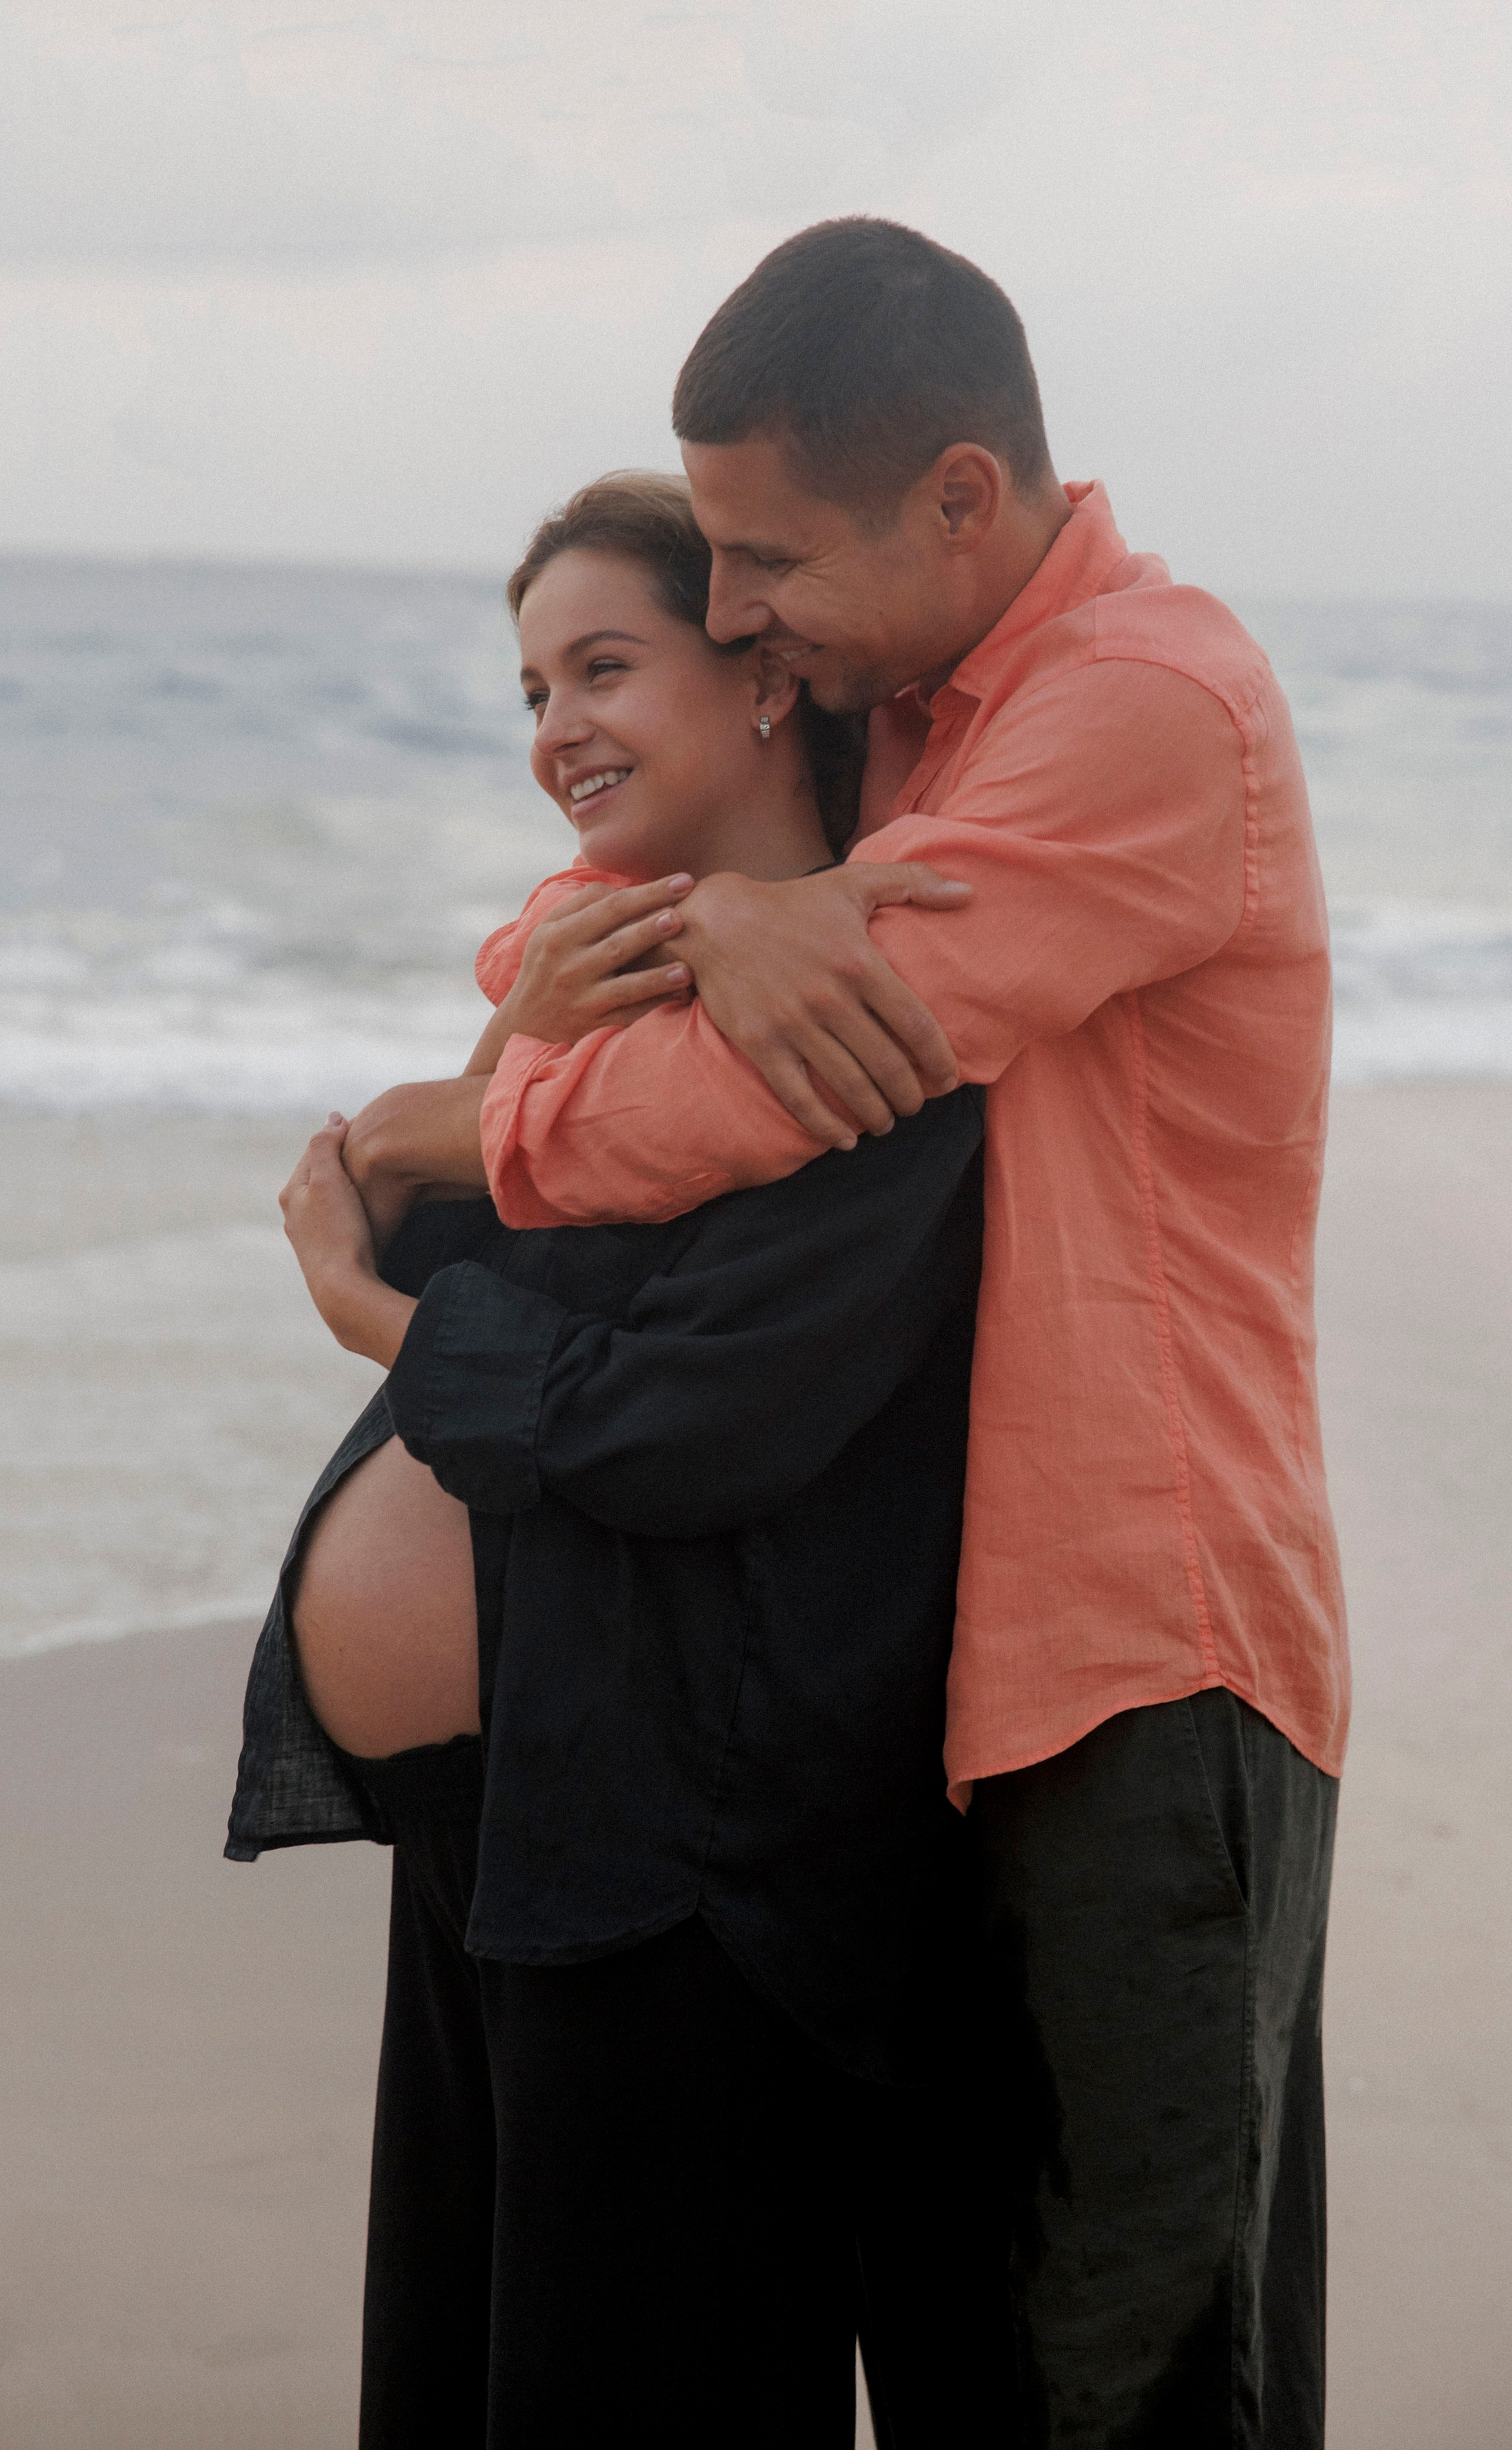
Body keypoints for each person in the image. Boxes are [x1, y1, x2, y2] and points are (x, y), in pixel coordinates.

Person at [338, 218, 1351, 2447]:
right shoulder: (913, 702)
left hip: (1141, 1661)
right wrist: (698, 915)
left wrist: (488, 1114)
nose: (729, 611)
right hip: (943, 1671)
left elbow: (782, 1077)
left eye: (761, 557)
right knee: (981, 2358)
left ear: (961, 500)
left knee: (1135, 2367)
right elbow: (606, 866)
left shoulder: (1138, 708)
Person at [230, 472, 1016, 2448]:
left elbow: (683, 1419)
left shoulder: (860, 1010)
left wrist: (372, 1311)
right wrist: (489, 1089)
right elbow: (503, 1262)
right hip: (505, 1828)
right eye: (526, 687)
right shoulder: (599, 978)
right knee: (462, 2381)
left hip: (695, 1860)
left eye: (602, 664)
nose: (552, 727)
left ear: (760, 678)